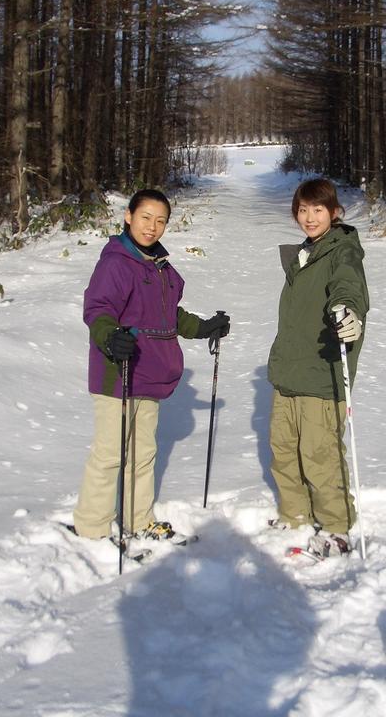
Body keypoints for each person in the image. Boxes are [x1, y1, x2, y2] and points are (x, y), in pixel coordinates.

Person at [73, 189, 230, 545]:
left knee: (143, 453)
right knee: (111, 454)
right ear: (128, 216)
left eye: (160, 220)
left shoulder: (159, 267)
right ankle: (92, 528)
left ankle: (137, 520)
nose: (152, 226)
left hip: (149, 372)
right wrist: (110, 337)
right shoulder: (116, 262)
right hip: (118, 371)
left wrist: (202, 326)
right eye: (146, 217)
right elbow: (97, 310)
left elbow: (166, 315)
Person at [267, 178, 369, 558]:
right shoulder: (305, 254)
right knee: (283, 448)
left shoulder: (342, 252)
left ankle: (337, 527)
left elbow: (348, 287)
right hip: (289, 372)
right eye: (303, 209)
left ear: (334, 212)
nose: (309, 217)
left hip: (321, 374)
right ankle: (294, 511)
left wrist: (348, 311)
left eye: (318, 209)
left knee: (320, 454)